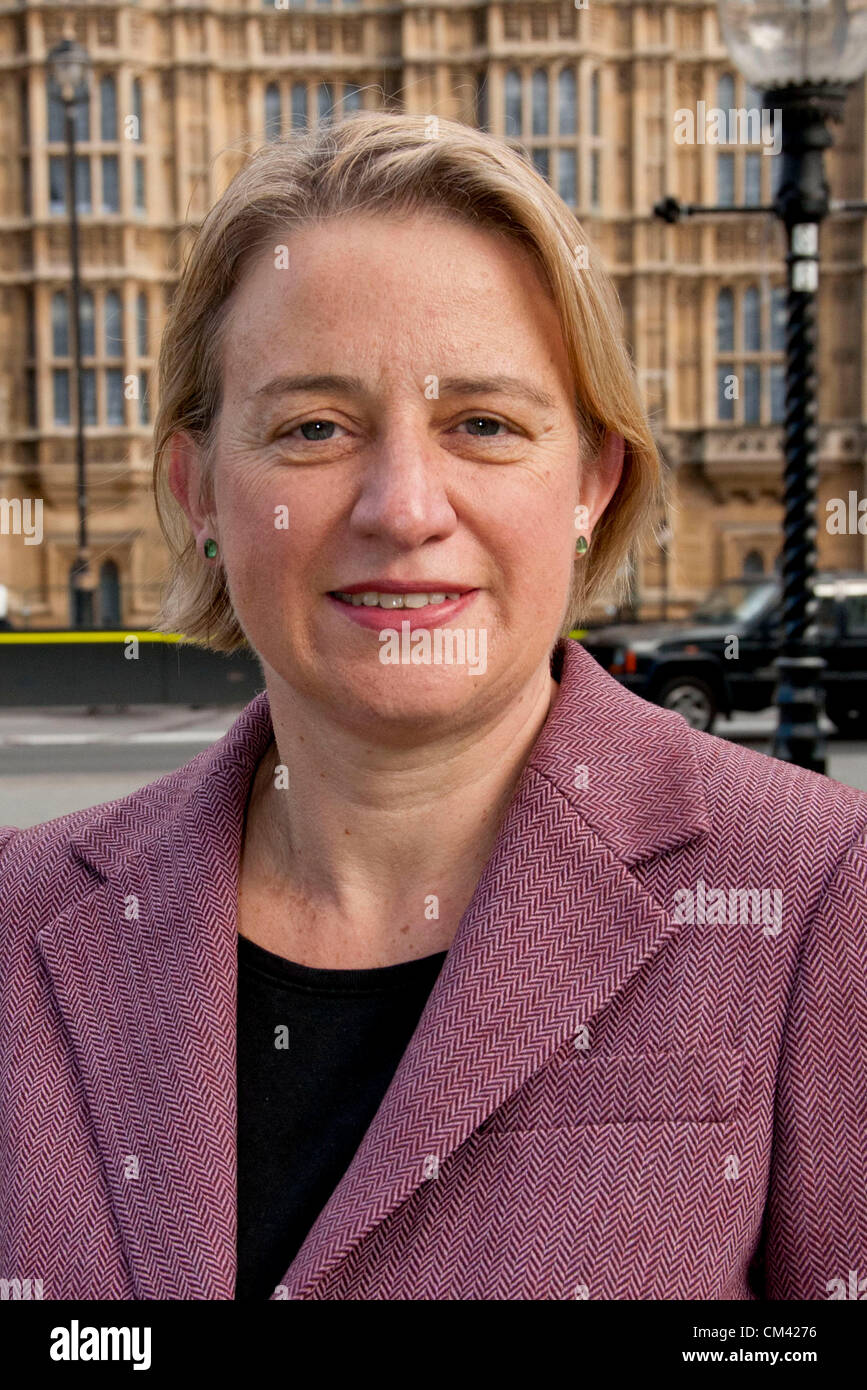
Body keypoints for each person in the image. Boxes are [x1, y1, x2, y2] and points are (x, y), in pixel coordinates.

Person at [1, 113, 865, 1302]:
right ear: (200, 490)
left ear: (593, 481)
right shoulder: (18, 921)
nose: (404, 507)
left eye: (485, 425)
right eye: (314, 426)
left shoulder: (819, 896)